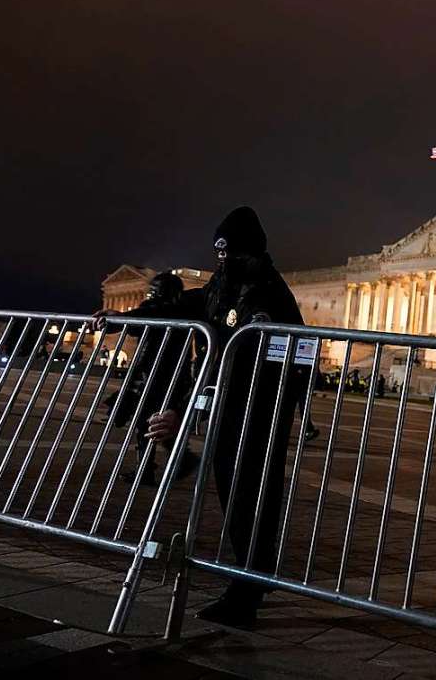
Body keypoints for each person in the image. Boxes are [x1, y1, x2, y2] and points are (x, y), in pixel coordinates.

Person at [101, 206, 304, 628]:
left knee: (252, 494)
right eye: (219, 253)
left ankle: (247, 589)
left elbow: (268, 358)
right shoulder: (223, 288)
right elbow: (180, 310)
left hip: (259, 409)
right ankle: (252, 577)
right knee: (235, 492)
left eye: (229, 253)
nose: (222, 261)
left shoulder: (268, 294)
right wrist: (125, 320)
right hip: (231, 404)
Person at [96, 271, 199, 487]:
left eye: (153, 290)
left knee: (147, 421)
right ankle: (173, 462)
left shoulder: (165, 310)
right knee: (152, 421)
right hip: (165, 375)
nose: (150, 294)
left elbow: (142, 320)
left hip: (157, 376)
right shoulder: (179, 310)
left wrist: (117, 319)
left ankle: (157, 467)